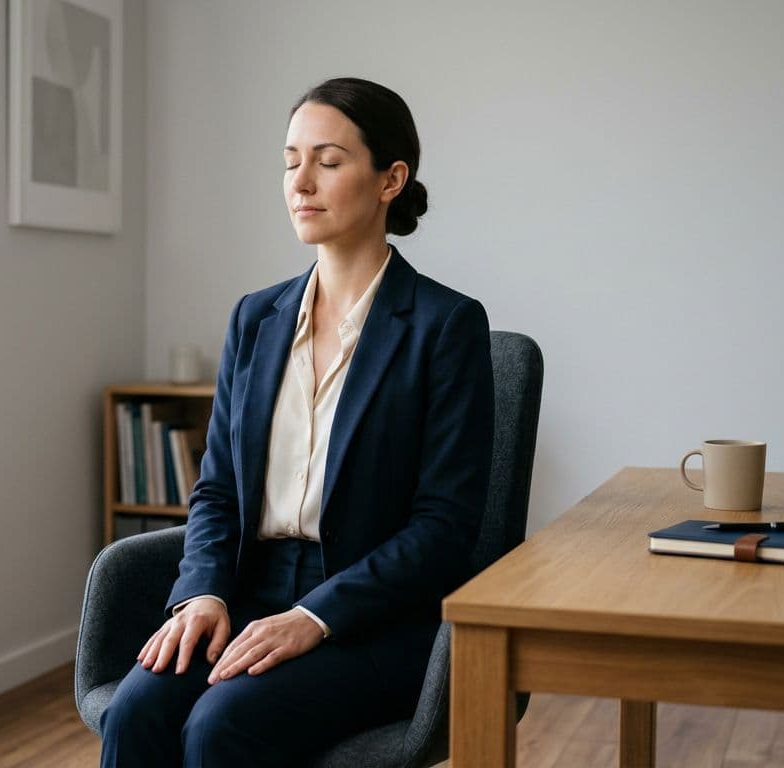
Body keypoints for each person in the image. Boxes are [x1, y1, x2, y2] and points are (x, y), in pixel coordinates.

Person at [99, 77, 494, 768]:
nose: (300, 182)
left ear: (389, 179)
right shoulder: (256, 317)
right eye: (290, 161)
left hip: (375, 617)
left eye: (329, 161)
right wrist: (204, 592)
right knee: (135, 713)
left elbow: (445, 527)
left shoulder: (445, 325)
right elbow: (217, 491)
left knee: (220, 727)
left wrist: (317, 615)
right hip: (248, 593)